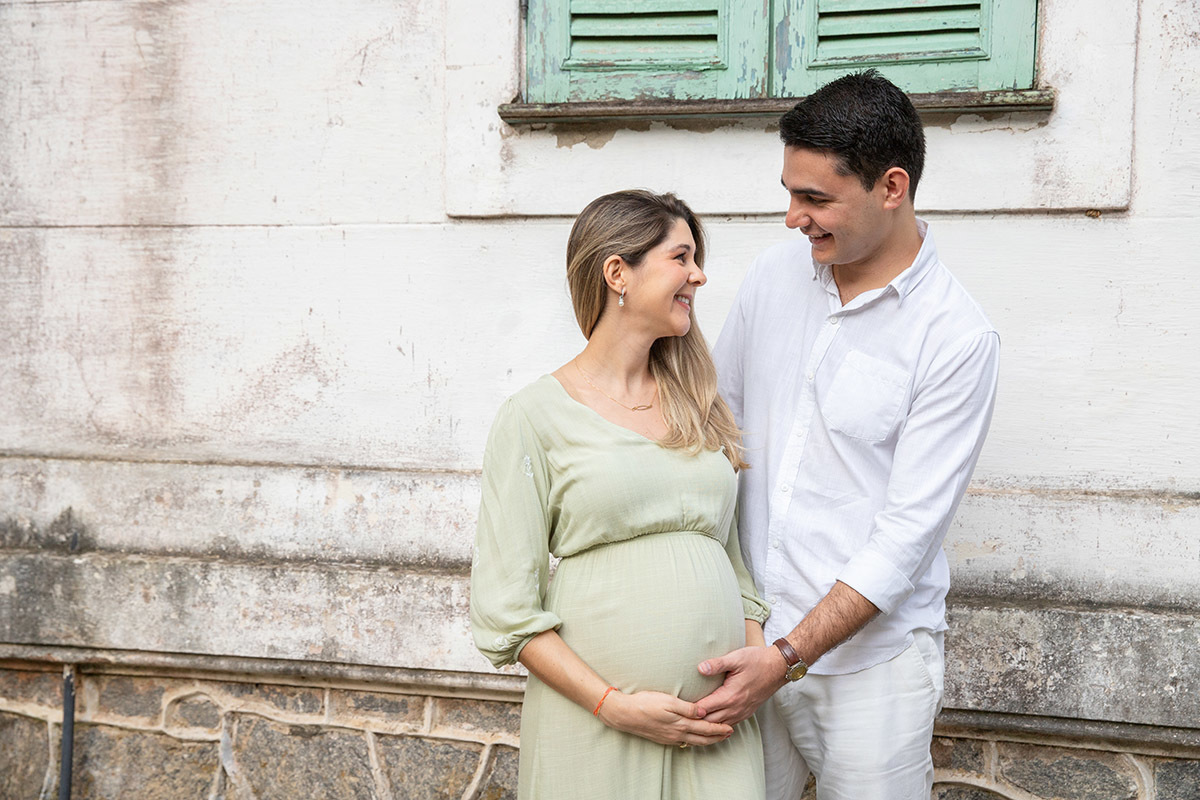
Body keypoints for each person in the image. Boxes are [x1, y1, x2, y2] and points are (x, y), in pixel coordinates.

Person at [695, 70, 1001, 799]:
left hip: (872, 675)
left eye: (815, 198)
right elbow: (717, 430)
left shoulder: (956, 338)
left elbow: (905, 537)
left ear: (891, 188)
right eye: (790, 193)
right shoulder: (774, 277)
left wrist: (791, 653)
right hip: (746, 643)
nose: (793, 217)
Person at [470, 190, 772, 799]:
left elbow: (734, 564)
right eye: (681, 257)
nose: (698, 276)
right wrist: (612, 705)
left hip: (717, 727)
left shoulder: (700, 408)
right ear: (618, 274)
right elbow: (508, 611)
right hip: (597, 728)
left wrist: (748, 677)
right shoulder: (532, 417)